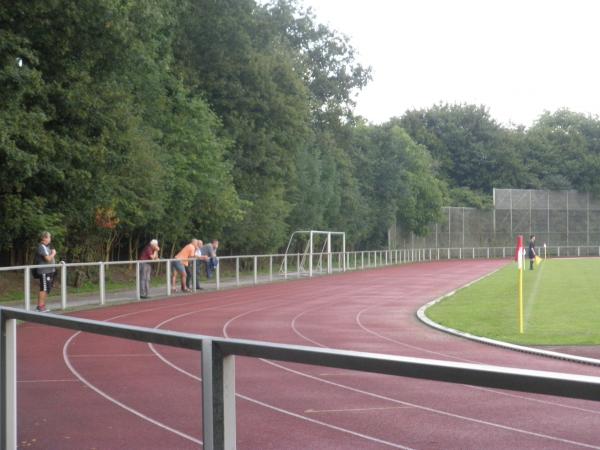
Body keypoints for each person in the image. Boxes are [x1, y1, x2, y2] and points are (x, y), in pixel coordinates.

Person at [35, 231, 57, 312]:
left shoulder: (47, 246)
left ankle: (42, 305)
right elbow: (47, 259)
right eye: (49, 237)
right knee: (44, 288)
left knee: (47, 288)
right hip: (44, 271)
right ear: (44, 238)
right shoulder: (41, 246)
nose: (50, 239)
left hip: (49, 271)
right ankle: (40, 306)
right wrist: (54, 253)